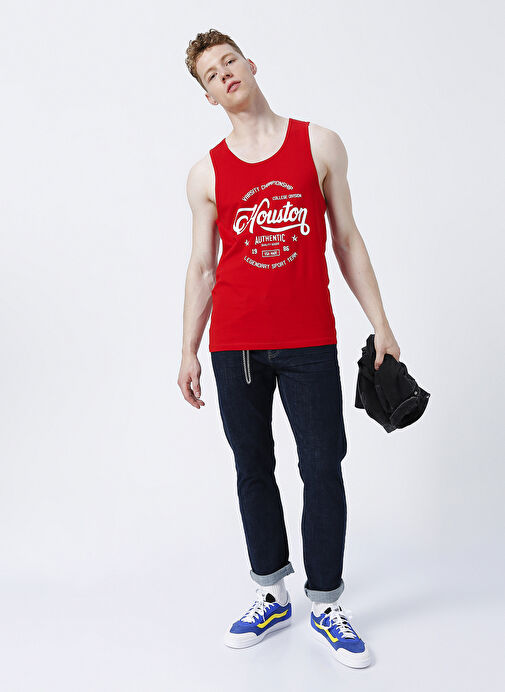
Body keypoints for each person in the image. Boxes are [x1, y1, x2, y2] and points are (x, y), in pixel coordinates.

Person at [178, 28, 400, 669]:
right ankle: (271, 593)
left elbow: (347, 240)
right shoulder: (205, 173)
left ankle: (325, 603)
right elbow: (202, 267)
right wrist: (188, 349)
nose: (225, 73)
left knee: (323, 467)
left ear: (250, 64)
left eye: (229, 61)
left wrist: (382, 325)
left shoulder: (319, 144)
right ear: (208, 96)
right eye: (211, 74)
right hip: (236, 345)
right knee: (253, 468)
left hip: (309, 341)